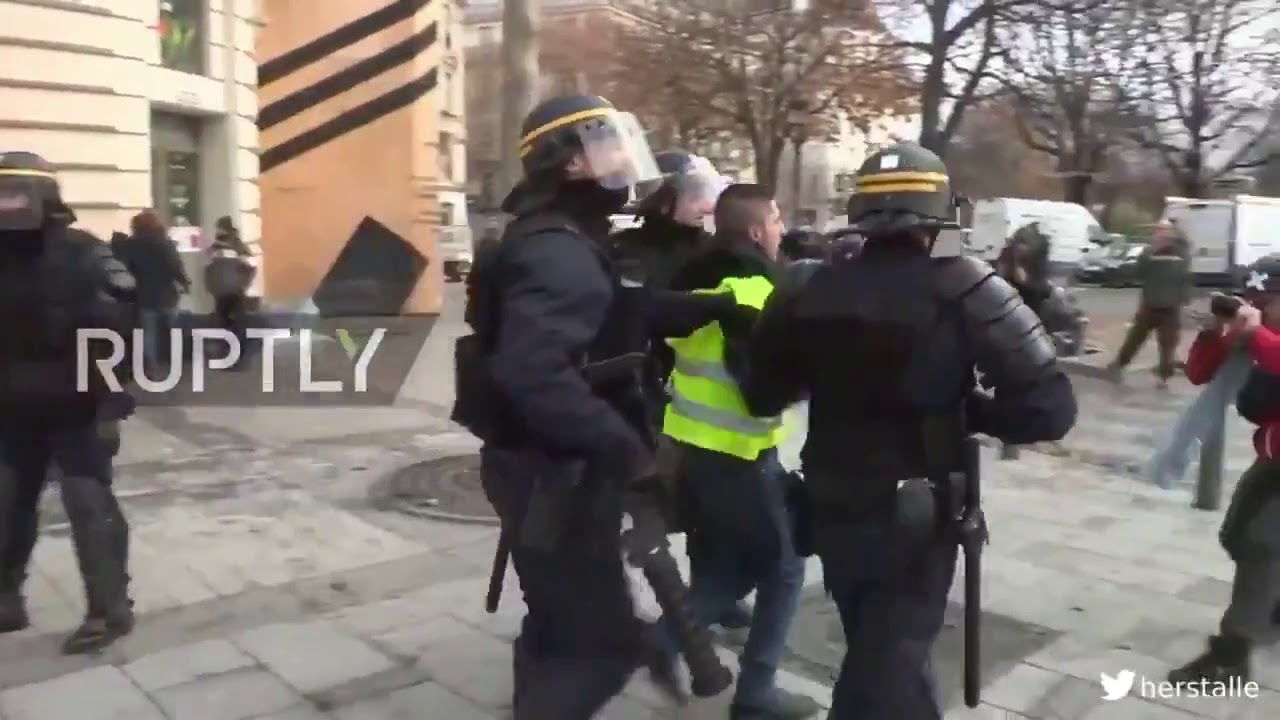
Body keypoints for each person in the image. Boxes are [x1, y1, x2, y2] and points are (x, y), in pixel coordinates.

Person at [737, 142, 1078, 718]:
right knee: (885, 664)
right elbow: (1049, 411)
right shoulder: (965, 286)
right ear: (940, 212)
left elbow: (761, 395)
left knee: (881, 648)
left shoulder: (807, 286)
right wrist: (969, 410)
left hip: (830, 499)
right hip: (915, 513)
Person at [458, 94, 753, 718]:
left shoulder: (560, 236)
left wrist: (715, 307)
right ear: (572, 162)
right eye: (611, 145)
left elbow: (625, 307)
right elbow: (535, 373)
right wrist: (626, 451)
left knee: (557, 623)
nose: (624, 159)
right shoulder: (558, 251)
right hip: (556, 479)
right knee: (599, 648)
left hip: (538, 470)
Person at [660, 183, 820, 719]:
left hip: (689, 446)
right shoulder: (754, 290)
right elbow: (766, 387)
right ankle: (752, 690)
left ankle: (657, 642)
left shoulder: (690, 277)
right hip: (741, 454)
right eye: (775, 219)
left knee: (727, 568)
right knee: (783, 568)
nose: (781, 229)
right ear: (755, 231)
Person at [608, 151, 754, 631]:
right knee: (649, 503)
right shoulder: (628, 249)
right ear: (663, 198)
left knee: (706, 506)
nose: (704, 206)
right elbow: (643, 308)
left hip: (698, 397)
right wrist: (712, 305)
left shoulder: (709, 249)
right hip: (641, 393)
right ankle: (639, 605)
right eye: (694, 196)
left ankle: (713, 590)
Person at [0, 151, 138, 653]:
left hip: (77, 408)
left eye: (15, 194)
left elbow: (117, 332)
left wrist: (109, 404)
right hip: (13, 408)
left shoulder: (86, 255)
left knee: (89, 505)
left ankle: (110, 609)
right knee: (7, 504)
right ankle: (6, 599)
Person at [1168, 255, 1280, 683]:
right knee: (1236, 534)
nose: (1256, 307)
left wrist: (1253, 331)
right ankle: (1270, 605)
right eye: (1251, 299)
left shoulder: (1264, 336)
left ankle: (1231, 656)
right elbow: (1200, 373)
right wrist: (1215, 331)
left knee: (1261, 544)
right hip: (1272, 457)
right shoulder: (1258, 331)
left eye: (1266, 300)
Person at [1106, 221, 1191, 389]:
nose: (1161, 233)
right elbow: (1139, 272)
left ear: (1172, 232)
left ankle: (1164, 376)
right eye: (1158, 230)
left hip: (1170, 306)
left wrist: (1183, 299)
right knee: (1135, 337)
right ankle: (1119, 364)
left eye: (1164, 230)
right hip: (1150, 303)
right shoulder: (1150, 251)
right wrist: (1149, 253)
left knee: (1167, 343)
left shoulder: (1180, 251)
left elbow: (1184, 276)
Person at [111, 210, 190, 370]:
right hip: (167, 294)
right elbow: (174, 266)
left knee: (148, 334)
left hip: (144, 295)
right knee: (173, 331)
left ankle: (151, 366)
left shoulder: (132, 245)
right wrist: (184, 282)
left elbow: (124, 265)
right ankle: (175, 363)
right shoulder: (165, 243)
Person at [205, 216, 255, 344]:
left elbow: (208, 269)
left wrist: (211, 286)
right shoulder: (239, 246)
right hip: (235, 290)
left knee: (223, 323)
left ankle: (226, 348)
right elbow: (251, 268)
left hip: (222, 291)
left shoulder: (215, 248)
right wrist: (244, 284)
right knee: (239, 323)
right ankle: (240, 348)